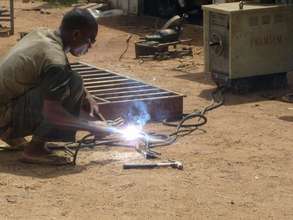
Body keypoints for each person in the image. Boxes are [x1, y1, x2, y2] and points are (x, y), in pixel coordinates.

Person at [0, 8, 110, 165]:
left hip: (4, 103)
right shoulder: (55, 59)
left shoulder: (42, 34)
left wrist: (88, 98)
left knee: (71, 81)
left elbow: (59, 70)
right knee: (73, 82)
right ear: (76, 35)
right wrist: (90, 126)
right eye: (90, 40)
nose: (90, 46)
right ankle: (34, 150)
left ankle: (8, 131)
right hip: (4, 113)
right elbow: (52, 114)